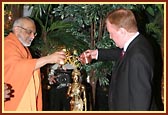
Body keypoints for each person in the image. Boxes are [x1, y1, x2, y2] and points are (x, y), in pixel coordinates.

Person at [80, 8, 163, 110]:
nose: (110, 37)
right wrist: (96, 54)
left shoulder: (138, 57)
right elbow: (122, 53)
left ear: (122, 32)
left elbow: (140, 102)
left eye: (111, 32)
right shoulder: (138, 43)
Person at [4, 17, 66, 111]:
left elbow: (28, 72)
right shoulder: (7, 45)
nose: (33, 36)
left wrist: (44, 77)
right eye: (29, 32)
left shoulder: (23, 48)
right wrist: (48, 59)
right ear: (17, 30)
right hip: (15, 103)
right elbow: (17, 67)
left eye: (34, 33)